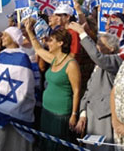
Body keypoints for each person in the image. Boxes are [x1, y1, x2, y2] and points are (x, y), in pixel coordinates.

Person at [25, 19, 81, 151]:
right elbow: (37, 48)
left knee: (59, 145)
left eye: (51, 41)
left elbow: (77, 91)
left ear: (60, 43)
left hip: (61, 113)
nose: (47, 43)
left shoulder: (71, 64)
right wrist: (29, 31)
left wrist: (74, 114)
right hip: (47, 110)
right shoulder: (54, 59)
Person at [69, 22, 123, 150]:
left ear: (111, 48)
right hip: (91, 113)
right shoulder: (98, 64)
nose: (96, 46)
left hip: (104, 115)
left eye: (100, 44)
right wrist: (83, 114)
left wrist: (82, 33)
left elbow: (96, 56)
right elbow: (89, 90)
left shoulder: (115, 61)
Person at [0, 26, 36, 151]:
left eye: (5, 35)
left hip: (19, 110)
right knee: (2, 142)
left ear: (13, 38)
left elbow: (25, 85)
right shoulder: (2, 54)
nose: (2, 38)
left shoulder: (22, 58)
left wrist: (13, 107)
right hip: (1, 106)